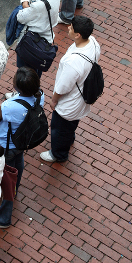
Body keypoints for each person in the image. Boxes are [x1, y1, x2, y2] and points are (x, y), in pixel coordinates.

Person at [0, 67, 44, 229]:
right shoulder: (40, 96)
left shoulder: (11, 106)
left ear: (17, 87)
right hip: (21, 143)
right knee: (18, 164)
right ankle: (16, 186)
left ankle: (3, 218)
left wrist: (5, 103)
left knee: (5, 182)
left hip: (6, 147)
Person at [41, 16, 100, 163]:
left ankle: (59, 154)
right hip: (81, 97)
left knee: (59, 128)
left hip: (69, 103)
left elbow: (63, 87)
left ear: (78, 35)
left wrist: (54, 100)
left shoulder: (73, 63)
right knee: (70, 125)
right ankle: (69, 139)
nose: (68, 28)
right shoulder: (93, 43)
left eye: (71, 27)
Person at [16, 0, 60, 76]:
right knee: (36, 71)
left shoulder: (38, 6)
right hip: (46, 40)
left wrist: (25, 5)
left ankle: (24, 93)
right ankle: (34, 91)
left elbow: (20, 17)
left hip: (31, 43)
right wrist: (27, 2)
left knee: (25, 73)